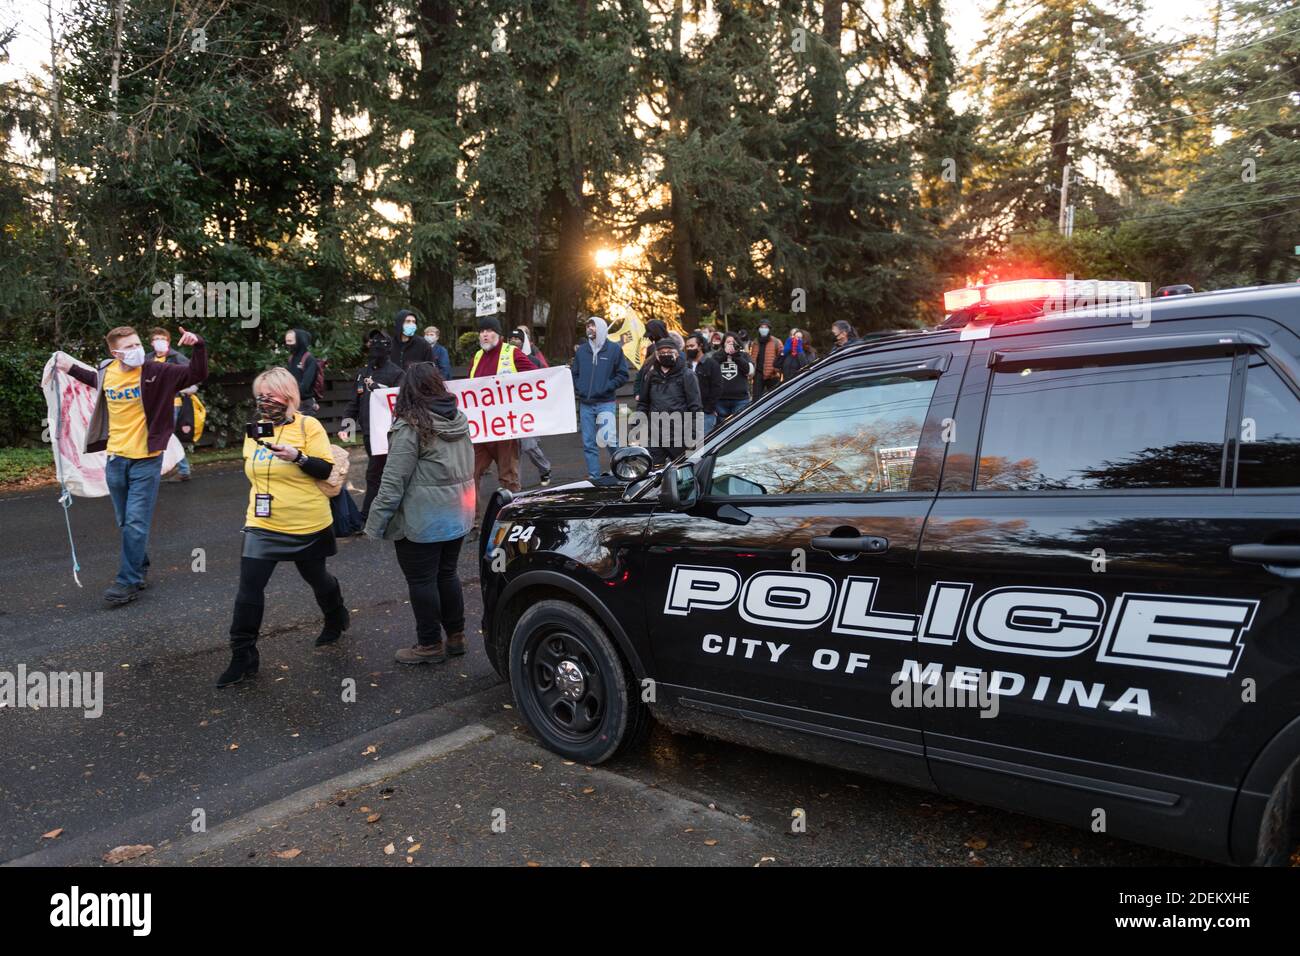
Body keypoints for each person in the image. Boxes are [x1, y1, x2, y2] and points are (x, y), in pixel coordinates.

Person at [54, 325, 207, 606]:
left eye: (139, 344)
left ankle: (127, 582)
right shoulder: (106, 371)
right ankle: (139, 567)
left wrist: (199, 345)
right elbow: (93, 379)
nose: (139, 350)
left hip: (147, 460)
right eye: (131, 347)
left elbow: (196, 374)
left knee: (136, 522)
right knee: (126, 522)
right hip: (115, 460)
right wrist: (68, 367)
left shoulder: (156, 372)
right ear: (116, 353)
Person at [217, 367, 349, 688]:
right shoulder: (256, 428)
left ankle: (335, 615)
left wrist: (297, 457)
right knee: (249, 588)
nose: (264, 401)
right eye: (259, 395)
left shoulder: (308, 425)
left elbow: (324, 469)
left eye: (270, 394)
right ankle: (243, 655)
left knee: (316, 577)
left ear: (289, 396)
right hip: (262, 522)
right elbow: (253, 468)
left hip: (307, 521)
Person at [364, 363, 475, 664]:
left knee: (422, 581)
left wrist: (374, 524)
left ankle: (429, 645)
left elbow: (392, 481)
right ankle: (456, 637)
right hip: (457, 516)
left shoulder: (411, 426)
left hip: (422, 520)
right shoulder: (460, 420)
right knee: (447, 575)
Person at [340, 329, 405, 521]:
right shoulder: (363, 373)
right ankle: (389, 510)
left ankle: (367, 516)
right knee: (381, 473)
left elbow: (399, 401)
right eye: (372, 343)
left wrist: (380, 390)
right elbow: (354, 402)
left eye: (380, 344)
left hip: (388, 432)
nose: (375, 348)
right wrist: (347, 427)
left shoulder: (396, 373)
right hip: (368, 432)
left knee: (375, 473)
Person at [469, 317, 535, 504]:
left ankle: (512, 516)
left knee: (508, 477)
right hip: (481, 429)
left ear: (499, 335)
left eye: (489, 331)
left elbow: (535, 377)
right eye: (482, 331)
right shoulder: (477, 356)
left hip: (505, 428)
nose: (485, 335)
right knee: (469, 475)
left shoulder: (511, 353)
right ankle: (471, 521)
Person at [571, 315, 629, 479]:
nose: (589, 328)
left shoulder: (614, 349)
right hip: (586, 404)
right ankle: (594, 477)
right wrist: (580, 388)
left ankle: (623, 470)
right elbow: (575, 373)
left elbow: (623, 374)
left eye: (593, 325)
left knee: (609, 439)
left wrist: (607, 387)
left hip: (605, 402)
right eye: (588, 325)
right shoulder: (582, 350)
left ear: (601, 328)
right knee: (589, 443)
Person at [637, 335, 701, 464]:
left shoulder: (687, 375)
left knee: (682, 471)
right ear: (657, 355)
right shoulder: (651, 375)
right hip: (656, 435)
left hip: (680, 435)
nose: (665, 355)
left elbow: (695, 407)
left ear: (677, 354)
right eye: (662, 353)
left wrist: (693, 435)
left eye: (669, 352)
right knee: (653, 472)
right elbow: (643, 403)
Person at [150, 327, 197, 482]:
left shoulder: (176, 358)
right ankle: (181, 470)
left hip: (172, 404)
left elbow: (195, 373)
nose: (160, 342)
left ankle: (177, 470)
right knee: (167, 436)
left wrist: (186, 388)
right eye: (157, 339)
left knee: (166, 436)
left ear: (169, 342)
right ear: (151, 343)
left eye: (163, 339)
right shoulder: (147, 359)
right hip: (152, 405)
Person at [508, 325, 552, 486]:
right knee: (513, 451)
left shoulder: (532, 360)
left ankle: (544, 468)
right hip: (508, 412)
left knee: (529, 446)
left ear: (523, 341)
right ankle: (515, 485)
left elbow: (544, 379)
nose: (514, 341)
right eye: (511, 339)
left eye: (517, 339)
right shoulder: (503, 362)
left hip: (527, 411)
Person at [685, 332, 721, 435]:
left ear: (700, 346)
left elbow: (717, 388)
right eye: (687, 346)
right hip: (688, 413)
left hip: (705, 413)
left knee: (704, 444)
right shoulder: (685, 365)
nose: (689, 349)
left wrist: (708, 409)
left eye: (692, 346)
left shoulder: (711, 364)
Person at [713, 331, 753, 425]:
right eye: (728, 342)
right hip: (721, 400)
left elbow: (750, 371)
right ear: (723, 344)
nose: (730, 344)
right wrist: (724, 354)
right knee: (722, 428)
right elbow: (710, 368)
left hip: (740, 399)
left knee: (740, 425)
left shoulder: (744, 355)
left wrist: (736, 356)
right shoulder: (717, 355)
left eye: (733, 342)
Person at [284, 328, 321, 415]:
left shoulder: (309, 359)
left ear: (300, 341)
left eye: (290, 341)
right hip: (292, 403)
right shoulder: (291, 359)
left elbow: (305, 386)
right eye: (286, 341)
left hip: (305, 405)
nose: (288, 344)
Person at [748, 321, 783, 401]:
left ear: (769, 329)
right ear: (758, 329)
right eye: (761, 327)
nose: (763, 329)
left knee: (774, 398)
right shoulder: (755, 342)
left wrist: (776, 369)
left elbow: (781, 356)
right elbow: (751, 357)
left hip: (772, 375)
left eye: (766, 327)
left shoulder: (776, 341)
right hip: (758, 374)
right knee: (756, 399)